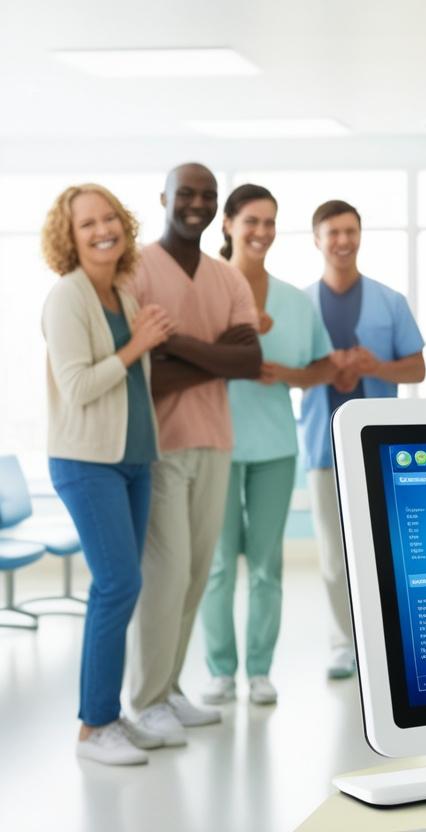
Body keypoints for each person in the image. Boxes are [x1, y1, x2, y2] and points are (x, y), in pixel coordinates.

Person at [127, 163, 262, 745]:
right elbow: (141, 376)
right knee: (165, 575)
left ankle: (171, 689)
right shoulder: (134, 270)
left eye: (208, 195)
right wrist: (214, 356)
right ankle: (145, 700)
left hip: (215, 441)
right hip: (157, 445)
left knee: (198, 574)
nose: (197, 203)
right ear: (164, 197)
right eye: (187, 192)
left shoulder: (226, 277)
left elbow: (249, 363)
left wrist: (174, 343)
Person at [41, 184, 173, 765]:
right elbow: (77, 387)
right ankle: (94, 727)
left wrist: (142, 339)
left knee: (126, 584)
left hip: (133, 459)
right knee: (117, 584)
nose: (102, 229)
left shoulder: (120, 289)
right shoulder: (66, 297)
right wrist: (137, 345)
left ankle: (110, 714)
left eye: (110, 218)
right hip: (85, 461)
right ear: (68, 237)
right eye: (87, 223)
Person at [200, 185, 334, 707]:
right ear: (228, 223)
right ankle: (219, 671)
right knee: (215, 564)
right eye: (251, 220)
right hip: (213, 442)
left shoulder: (296, 301)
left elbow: (322, 365)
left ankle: (259, 671)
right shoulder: (203, 289)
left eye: (270, 222)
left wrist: (291, 373)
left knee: (265, 565)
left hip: (276, 446)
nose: (261, 232)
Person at [302, 199, 426, 679]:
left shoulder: (389, 301)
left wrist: (376, 366)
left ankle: (387, 638)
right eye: (332, 232)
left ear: (360, 235)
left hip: (376, 448)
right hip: (321, 445)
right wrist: (326, 367)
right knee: (334, 554)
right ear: (317, 239)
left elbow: (416, 366)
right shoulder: (301, 305)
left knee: (384, 549)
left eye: (350, 230)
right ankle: (343, 643)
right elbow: (291, 371)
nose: (342, 240)